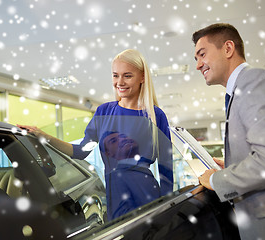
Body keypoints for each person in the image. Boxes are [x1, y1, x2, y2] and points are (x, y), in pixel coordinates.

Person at [18, 49, 173, 220]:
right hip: (115, 194)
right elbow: (80, 151)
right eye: (115, 75)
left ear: (142, 77)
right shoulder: (103, 112)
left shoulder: (155, 115)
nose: (119, 82)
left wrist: (166, 205)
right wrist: (43, 136)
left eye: (127, 76)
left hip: (146, 193)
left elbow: (167, 166)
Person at [192, 23, 265, 239]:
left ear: (228, 49)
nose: (198, 65)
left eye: (202, 55)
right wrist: (230, 167)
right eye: (196, 59)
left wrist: (215, 181)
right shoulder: (242, 89)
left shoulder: (255, 81)